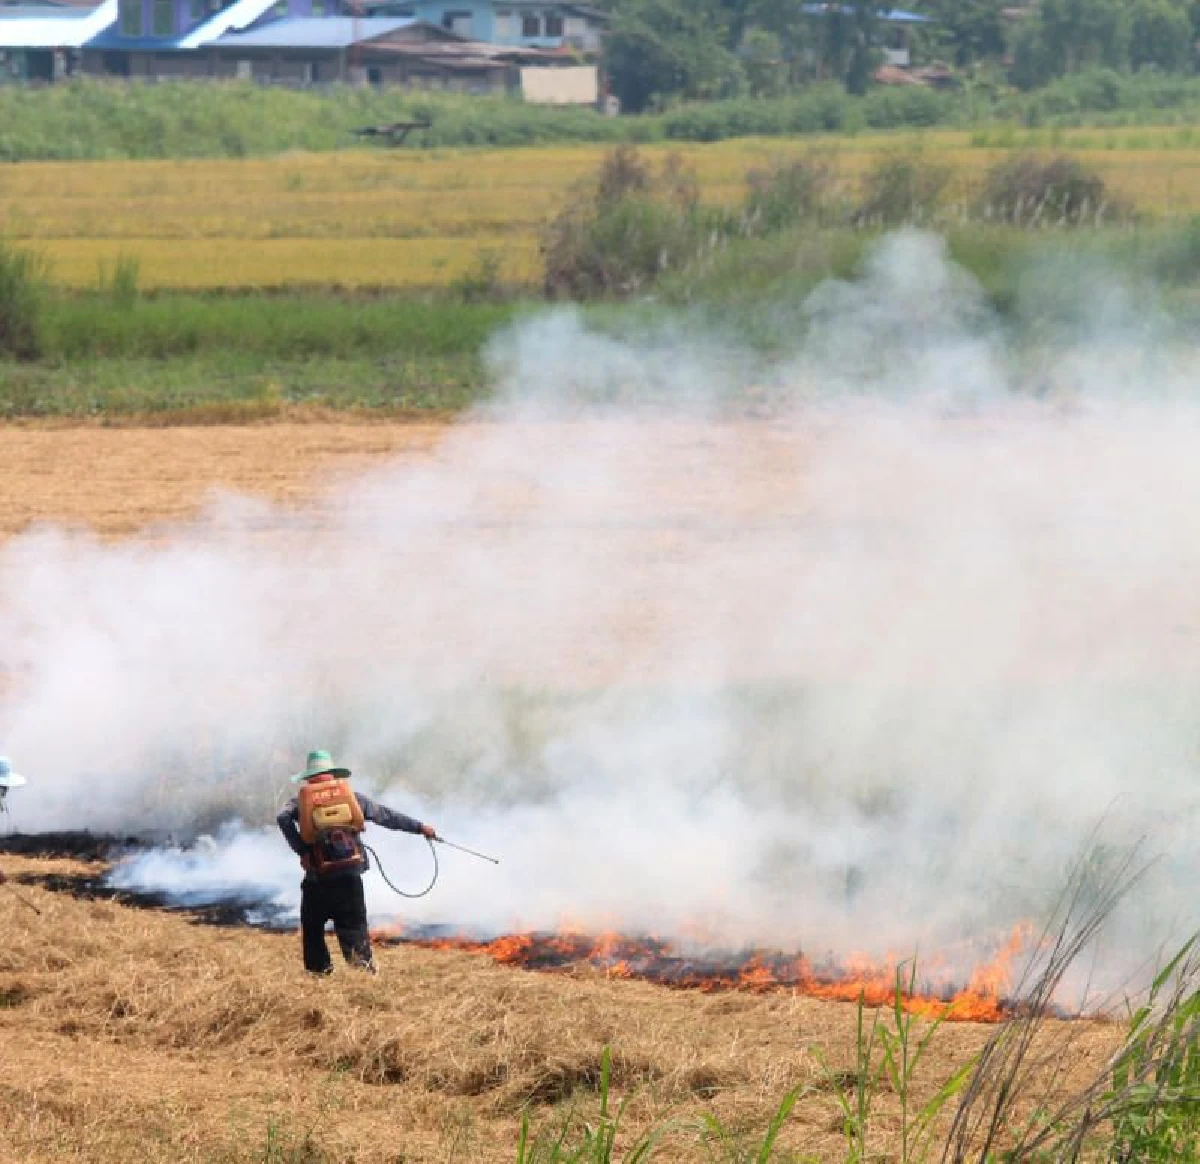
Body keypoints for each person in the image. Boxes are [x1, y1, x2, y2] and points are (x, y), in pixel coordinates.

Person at [277, 749, 436, 976]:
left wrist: (303, 852)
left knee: (312, 929)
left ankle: (319, 973)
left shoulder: (300, 802)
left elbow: (282, 818)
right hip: (349, 876)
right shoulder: (350, 797)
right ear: (331, 773)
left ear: (309, 776)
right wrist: (420, 827)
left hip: (317, 878)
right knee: (354, 929)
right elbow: (386, 816)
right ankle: (362, 974)